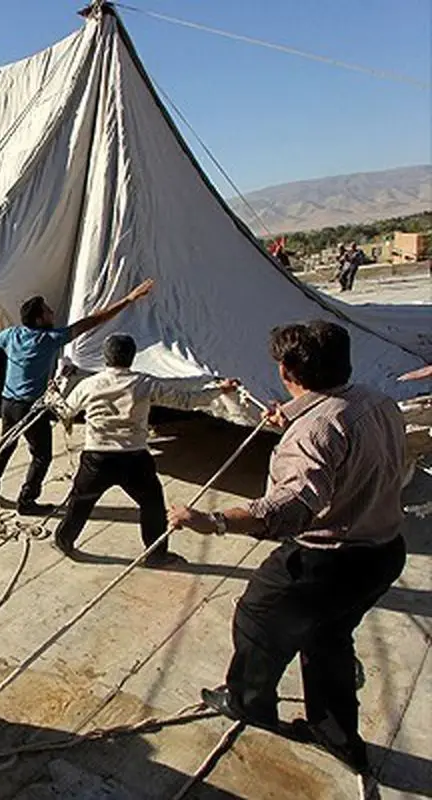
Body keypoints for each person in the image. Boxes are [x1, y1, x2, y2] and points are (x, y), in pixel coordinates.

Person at [168, 321, 407, 781]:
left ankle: (248, 702)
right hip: (383, 552)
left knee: (256, 617)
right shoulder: (376, 402)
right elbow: (341, 446)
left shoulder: (315, 429)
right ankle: (337, 737)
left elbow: (291, 507)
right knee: (328, 637)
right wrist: (296, 420)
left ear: (286, 369)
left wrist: (212, 521)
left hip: (326, 559)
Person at [51, 335, 240, 567]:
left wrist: (54, 394)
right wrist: (218, 390)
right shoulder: (144, 383)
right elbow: (186, 401)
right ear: (132, 357)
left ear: (105, 357)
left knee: (80, 501)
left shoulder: (89, 384)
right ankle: (156, 555)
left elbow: (65, 411)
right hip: (134, 458)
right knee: (152, 505)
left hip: (96, 458)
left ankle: (63, 541)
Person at [0, 278, 155, 515]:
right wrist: (129, 299)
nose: (52, 313)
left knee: (6, 444)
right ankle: (26, 502)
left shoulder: (12, 335)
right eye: (47, 311)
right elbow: (93, 321)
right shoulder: (49, 339)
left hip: (8, 403)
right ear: (39, 319)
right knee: (42, 456)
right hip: (31, 407)